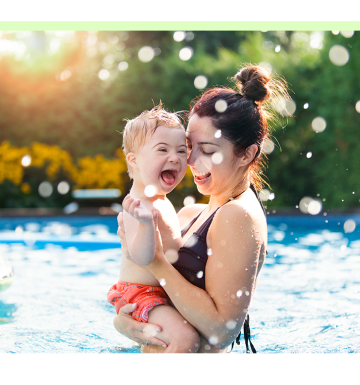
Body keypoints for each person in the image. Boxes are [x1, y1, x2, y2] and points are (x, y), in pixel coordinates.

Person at [114, 65, 288, 353]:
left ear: (247, 154)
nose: (190, 160)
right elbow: (162, 299)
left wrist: (155, 261)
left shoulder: (237, 215)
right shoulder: (191, 214)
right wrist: (126, 323)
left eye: (206, 150)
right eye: (187, 146)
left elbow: (222, 329)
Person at [106, 104, 200, 353]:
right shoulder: (137, 205)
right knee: (186, 339)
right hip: (141, 295)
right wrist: (146, 224)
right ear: (134, 159)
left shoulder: (160, 199)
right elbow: (143, 257)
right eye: (163, 150)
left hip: (161, 291)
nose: (175, 157)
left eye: (182, 151)